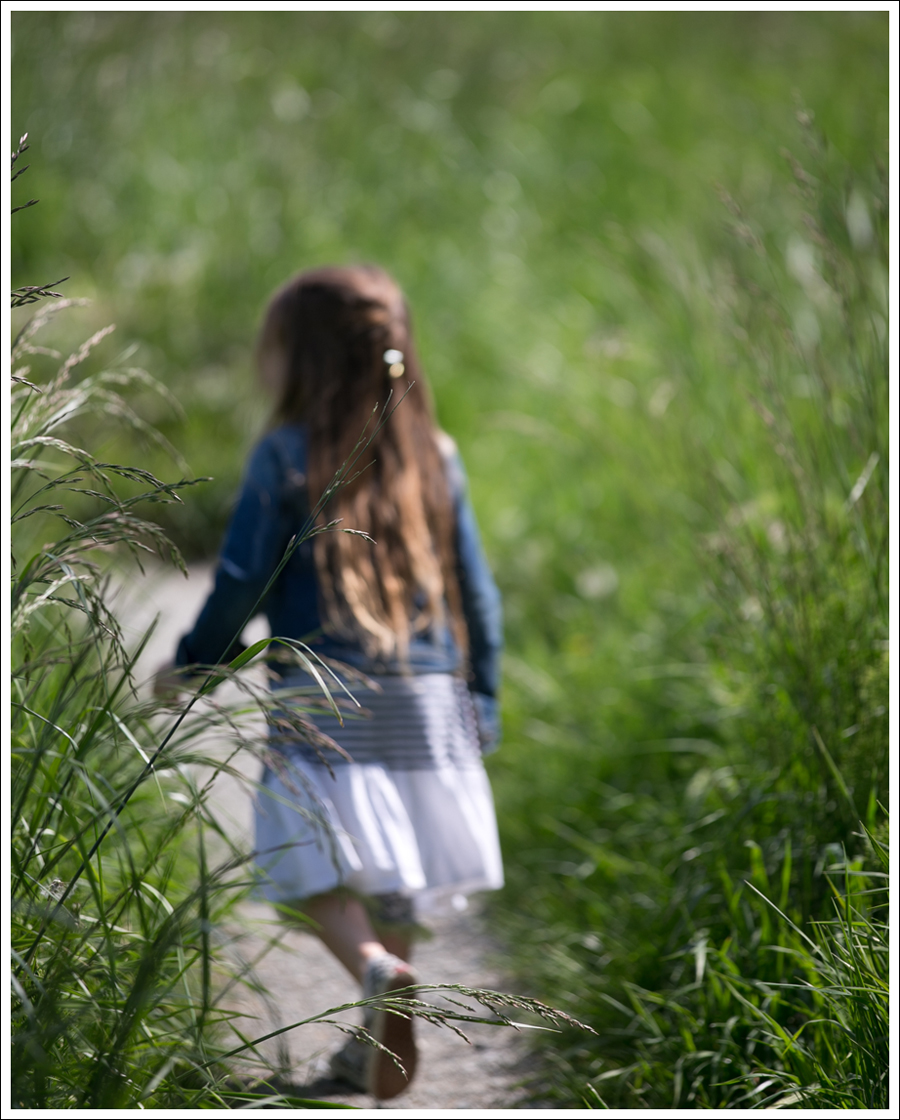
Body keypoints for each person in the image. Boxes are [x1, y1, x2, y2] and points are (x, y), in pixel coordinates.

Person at [156, 265, 503, 1100]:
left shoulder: (284, 455)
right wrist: (484, 696)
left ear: (301, 360)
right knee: (398, 867)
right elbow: (479, 594)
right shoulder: (436, 455)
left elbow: (241, 580)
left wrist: (197, 661)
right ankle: (374, 1036)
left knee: (299, 858)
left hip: (323, 696)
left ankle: (375, 968)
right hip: (430, 701)